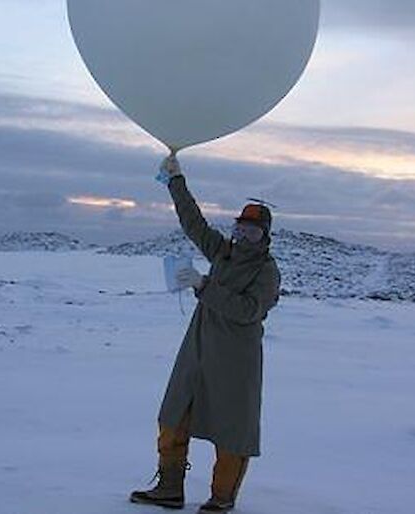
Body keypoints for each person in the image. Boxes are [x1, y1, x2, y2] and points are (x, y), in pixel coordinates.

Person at [130, 153, 281, 513]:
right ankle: (169, 489)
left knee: (232, 432)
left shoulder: (266, 271)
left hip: (235, 362)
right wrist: (175, 181)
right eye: (240, 227)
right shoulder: (223, 253)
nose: (244, 235)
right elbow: (193, 223)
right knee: (173, 416)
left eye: (252, 230)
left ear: (264, 236)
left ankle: (222, 499)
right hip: (197, 352)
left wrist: (203, 285)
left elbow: (249, 311)